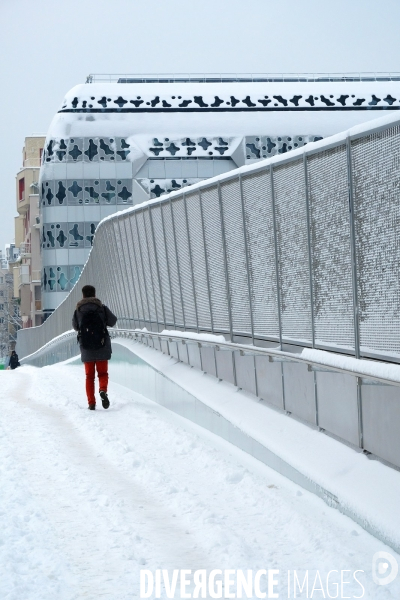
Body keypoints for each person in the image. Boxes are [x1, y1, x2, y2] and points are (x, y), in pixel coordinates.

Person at [72, 285, 117, 410]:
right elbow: (113, 321)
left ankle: (91, 403)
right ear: (94, 295)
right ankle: (102, 390)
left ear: (83, 295)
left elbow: (75, 327)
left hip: (86, 347)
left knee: (89, 376)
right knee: (103, 373)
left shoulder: (78, 311)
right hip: (102, 345)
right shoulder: (101, 308)